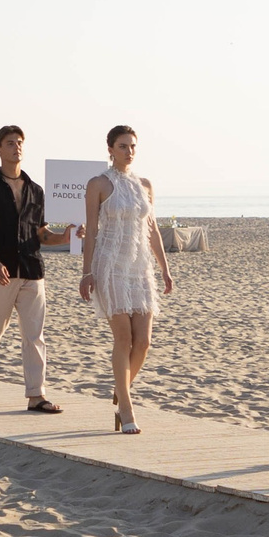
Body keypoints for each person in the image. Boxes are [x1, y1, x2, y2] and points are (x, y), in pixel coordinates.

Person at [0, 125, 71, 412]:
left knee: (35, 334)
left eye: (20, 142)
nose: (17, 147)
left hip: (32, 269)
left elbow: (41, 233)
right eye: (10, 143)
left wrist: (63, 238)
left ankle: (36, 395)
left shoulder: (36, 190)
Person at [80, 125, 175, 434]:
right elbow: (91, 230)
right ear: (110, 149)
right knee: (123, 338)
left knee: (144, 342)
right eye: (123, 146)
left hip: (139, 268)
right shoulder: (98, 184)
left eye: (132, 146)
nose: (129, 151)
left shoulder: (145, 184)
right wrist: (87, 272)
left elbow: (154, 230)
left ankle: (122, 389)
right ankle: (126, 407)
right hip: (109, 266)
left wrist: (165, 268)